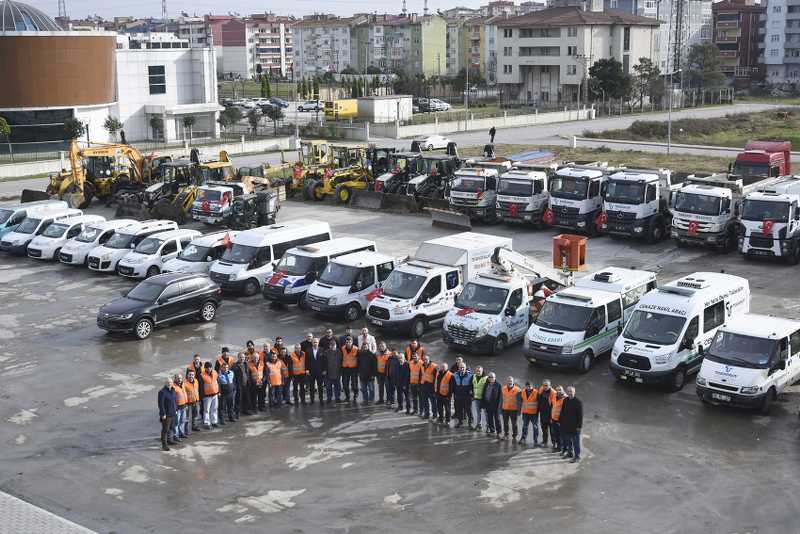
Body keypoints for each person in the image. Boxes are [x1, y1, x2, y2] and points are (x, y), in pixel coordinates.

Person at [559, 386, 583, 463]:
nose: (570, 393)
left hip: (575, 427)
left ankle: (577, 456)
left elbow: (580, 416)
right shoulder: (565, 400)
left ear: (574, 392)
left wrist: (579, 427)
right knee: (568, 441)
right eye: (568, 391)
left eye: (571, 391)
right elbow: (562, 412)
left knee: (576, 442)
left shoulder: (578, 402)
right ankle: (570, 453)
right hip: (566, 425)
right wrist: (560, 421)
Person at [215, 348, 235, 421]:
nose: (226, 353)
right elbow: (216, 373)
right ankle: (222, 419)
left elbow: (233, 380)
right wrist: (219, 391)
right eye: (224, 352)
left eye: (227, 352)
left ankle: (231, 417)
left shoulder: (231, 372)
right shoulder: (218, 362)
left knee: (230, 405)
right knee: (222, 406)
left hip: (230, 391)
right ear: (222, 353)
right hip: (223, 391)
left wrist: (234, 388)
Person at [158, 378, 177, 451]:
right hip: (166, 415)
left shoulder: (173, 390)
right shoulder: (162, 392)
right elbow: (161, 404)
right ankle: (164, 445)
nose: (169, 383)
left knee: (171, 428)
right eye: (168, 382)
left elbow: (175, 401)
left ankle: (169, 440)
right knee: (165, 429)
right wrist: (163, 414)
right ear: (165, 383)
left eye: (171, 382)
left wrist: (176, 409)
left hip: (173, 413)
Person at [500, 376, 522, 441]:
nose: (509, 382)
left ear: (513, 381)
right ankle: (506, 434)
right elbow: (501, 400)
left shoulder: (518, 390)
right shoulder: (503, 388)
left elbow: (519, 402)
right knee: (505, 423)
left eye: (511, 381)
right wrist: (500, 409)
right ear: (506, 381)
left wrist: (519, 411)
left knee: (514, 423)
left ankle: (514, 436)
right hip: (505, 408)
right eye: (508, 381)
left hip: (513, 409)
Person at [519, 381, 540, 446]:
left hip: (534, 414)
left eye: (530, 386)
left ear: (532, 386)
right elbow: (520, 402)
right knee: (525, 426)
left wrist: (537, 413)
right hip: (525, 413)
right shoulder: (522, 392)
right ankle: (523, 438)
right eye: (527, 386)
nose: (528, 388)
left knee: (535, 427)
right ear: (525, 386)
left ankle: (535, 440)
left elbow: (539, 404)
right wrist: (520, 412)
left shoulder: (536, 393)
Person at [452, 362, 472, 428]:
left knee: (468, 410)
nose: (462, 369)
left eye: (463, 367)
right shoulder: (455, 375)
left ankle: (470, 423)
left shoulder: (470, 376)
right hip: (458, 396)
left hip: (467, 397)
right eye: (461, 367)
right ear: (458, 368)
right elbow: (452, 385)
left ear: (465, 368)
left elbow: (473, 386)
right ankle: (460, 422)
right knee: (459, 410)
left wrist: (472, 395)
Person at [306, 338, 326, 405]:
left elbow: (324, 361)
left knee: (320, 386)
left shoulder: (322, 350)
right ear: (312, 343)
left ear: (318, 343)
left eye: (316, 342)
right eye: (314, 342)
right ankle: (312, 400)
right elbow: (306, 361)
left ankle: (321, 400)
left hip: (320, 372)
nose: (315, 343)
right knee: (311, 387)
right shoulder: (308, 350)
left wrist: (324, 369)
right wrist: (307, 369)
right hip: (311, 371)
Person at [200, 362, 220, 429]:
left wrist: (218, 391)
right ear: (205, 368)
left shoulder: (214, 372)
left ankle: (214, 422)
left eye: (210, 367)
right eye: (207, 367)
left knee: (214, 409)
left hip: (215, 394)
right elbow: (201, 387)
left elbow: (217, 382)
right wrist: (202, 396)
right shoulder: (202, 375)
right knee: (206, 410)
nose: (209, 368)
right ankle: (206, 423)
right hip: (207, 396)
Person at [538, 379, 557, 447]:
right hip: (543, 414)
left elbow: (554, 406)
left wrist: (552, 417)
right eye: (543, 385)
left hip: (550, 415)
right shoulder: (541, 390)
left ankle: (554, 443)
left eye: (546, 385)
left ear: (550, 385)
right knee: (544, 429)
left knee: (552, 431)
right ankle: (544, 441)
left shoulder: (553, 393)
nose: (545, 387)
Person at [340, 336, 359, 403]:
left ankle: (355, 394)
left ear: (352, 342)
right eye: (347, 342)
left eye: (349, 342)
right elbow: (340, 358)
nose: (348, 343)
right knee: (345, 384)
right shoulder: (342, 348)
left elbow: (359, 359)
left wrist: (358, 369)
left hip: (353, 368)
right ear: (345, 342)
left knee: (354, 383)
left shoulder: (356, 349)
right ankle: (347, 396)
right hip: (345, 368)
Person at [186, 353, 204, 419]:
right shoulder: (189, 367)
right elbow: (186, 378)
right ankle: (191, 417)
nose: (197, 361)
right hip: (193, 386)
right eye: (195, 359)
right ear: (193, 360)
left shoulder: (203, 366)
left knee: (201, 401)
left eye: (198, 359)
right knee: (193, 402)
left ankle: (201, 415)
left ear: (200, 360)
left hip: (201, 386)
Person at [323, 339, 342, 403]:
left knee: (337, 387)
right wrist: (324, 370)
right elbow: (323, 362)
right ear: (329, 346)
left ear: (336, 345)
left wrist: (341, 371)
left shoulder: (339, 352)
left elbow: (341, 361)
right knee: (328, 387)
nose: (333, 346)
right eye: (331, 345)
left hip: (337, 372)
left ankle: (337, 398)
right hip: (328, 373)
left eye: (334, 345)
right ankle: (329, 398)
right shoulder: (326, 352)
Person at [232, 352, 251, 417]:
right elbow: (233, 377)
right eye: (240, 357)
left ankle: (245, 410)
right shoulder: (234, 366)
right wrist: (235, 386)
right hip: (239, 385)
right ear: (238, 358)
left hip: (246, 384)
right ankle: (237, 412)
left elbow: (248, 373)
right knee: (238, 399)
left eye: (243, 357)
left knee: (245, 398)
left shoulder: (246, 364)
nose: (242, 358)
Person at [419, 355, 438, 419]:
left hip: (431, 386)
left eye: (426, 359)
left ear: (429, 359)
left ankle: (434, 415)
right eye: (424, 360)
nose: (425, 361)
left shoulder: (434, 366)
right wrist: (420, 385)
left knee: (433, 402)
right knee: (425, 401)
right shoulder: (422, 366)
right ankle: (427, 414)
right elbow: (421, 375)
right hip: (424, 385)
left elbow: (436, 379)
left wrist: (435, 389)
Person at [550, 385, 566, 453]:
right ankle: (559, 447)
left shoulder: (565, 398)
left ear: (563, 390)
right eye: (557, 390)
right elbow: (553, 406)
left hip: (561, 420)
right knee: (556, 434)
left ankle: (563, 448)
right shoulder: (554, 396)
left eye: (560, 390)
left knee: (562, 435)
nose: (558, 391)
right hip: (554, 419)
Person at [470, 366, 488, 431]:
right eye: (477, 371)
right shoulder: (474, 376)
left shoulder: (486, 378)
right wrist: (472, 395)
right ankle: (478, 425)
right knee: (478, 413)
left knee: (486, 413)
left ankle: (488, 426)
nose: (478, 372)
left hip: (484, 399)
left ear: (482, 371)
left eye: (479, 371)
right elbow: (471, 386)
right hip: (476, 398)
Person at [172, 375, 188, 441]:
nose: (179, 379)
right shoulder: (173, 387)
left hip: (183, 406)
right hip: (177, 408)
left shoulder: (182, 384)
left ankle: (181, 433)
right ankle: (176, 435)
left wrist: (186, 404)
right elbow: (172, 399)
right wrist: (174, 408)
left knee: (182, 421)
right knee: (176, 422)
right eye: (178, 378)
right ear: (175, 379)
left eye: (180, 378)